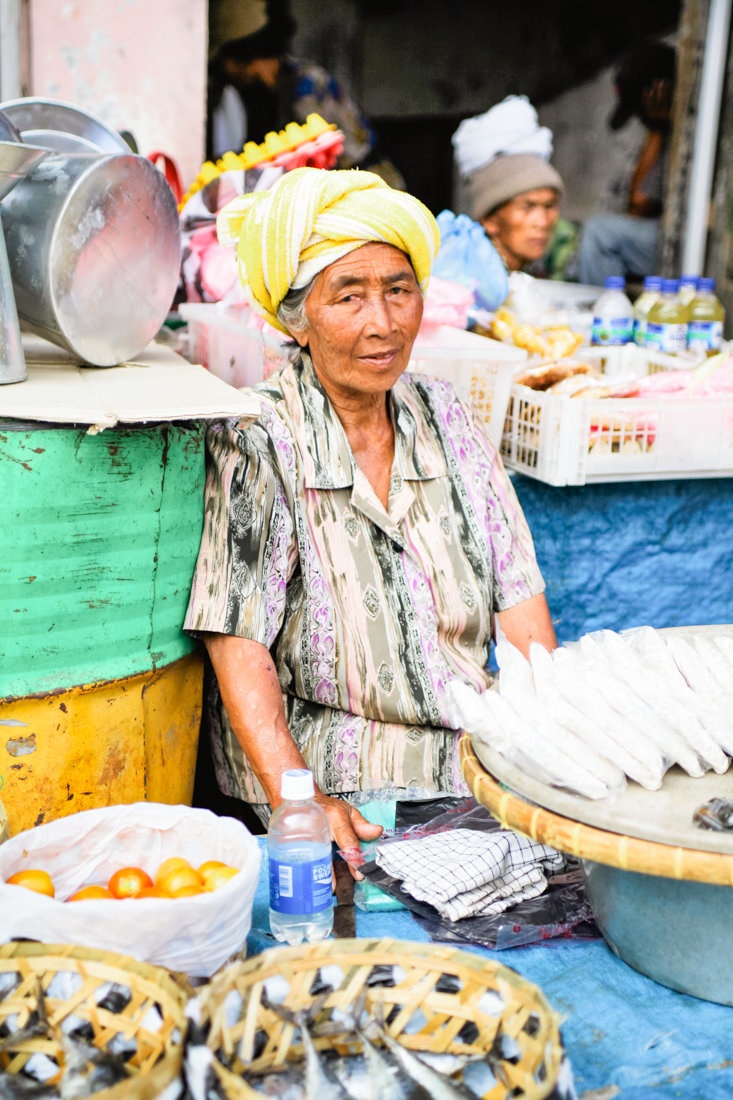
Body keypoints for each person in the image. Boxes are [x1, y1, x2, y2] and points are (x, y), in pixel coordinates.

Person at [184, 167, 557, 864]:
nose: (381, 324)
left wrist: (545, 755)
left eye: (398, 290)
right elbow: (237, 642)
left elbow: (519, 600)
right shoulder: (258, 436)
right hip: (338, 775)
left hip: (469, 758)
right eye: (346, 297)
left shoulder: (445, 413)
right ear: (293, 318)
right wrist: (299, 802)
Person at [207, 4, 402, 186]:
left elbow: (318, 158)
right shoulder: (260, 94)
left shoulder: (307, 86)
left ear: (243, 60)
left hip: (368, 184)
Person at [578, 41, 676, 286]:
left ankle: (604, 317)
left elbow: (639, 202)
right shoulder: (656, 131)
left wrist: (656, 129)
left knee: (600, 233)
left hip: (680, 244)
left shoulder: (674, 131)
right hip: (659, 240)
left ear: (657, 92)